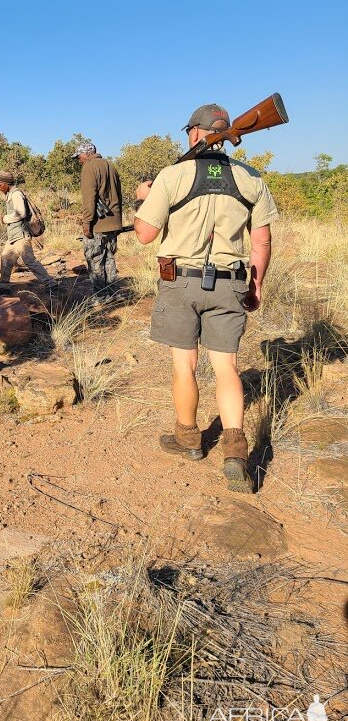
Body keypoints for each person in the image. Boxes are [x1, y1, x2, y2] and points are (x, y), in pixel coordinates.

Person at [133, 104, 279, 493]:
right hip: (231, 283)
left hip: (181, 282)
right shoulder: (251, 178)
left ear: (195, 133)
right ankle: (234, 449)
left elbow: (144, 234)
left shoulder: (172, 176)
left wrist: (143, 198)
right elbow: (262, 241)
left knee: (185, 365)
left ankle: (188, 440)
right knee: (226, 368)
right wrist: (257, 283)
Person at [73, 141, 123, 301]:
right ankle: (113, 293)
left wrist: (86, 223)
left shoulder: (89, 167)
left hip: (98, 224)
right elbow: (118, 195)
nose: (78, 160)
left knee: (95, 259)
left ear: (87, 154)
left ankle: (101, 296)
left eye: (79, 156)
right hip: (113, 222)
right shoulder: (110, 165)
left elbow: (89, 199)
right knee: (109, 258)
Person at [0, 170, 52, 288]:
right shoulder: (10, 194)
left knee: (30, 261)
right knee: (6, 259)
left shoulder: (16, 194)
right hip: (13, 236)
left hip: (20, 236)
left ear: (6, 183)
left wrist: (5, 219)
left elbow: (21, 213)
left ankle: (51, 283)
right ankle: (3, 285)